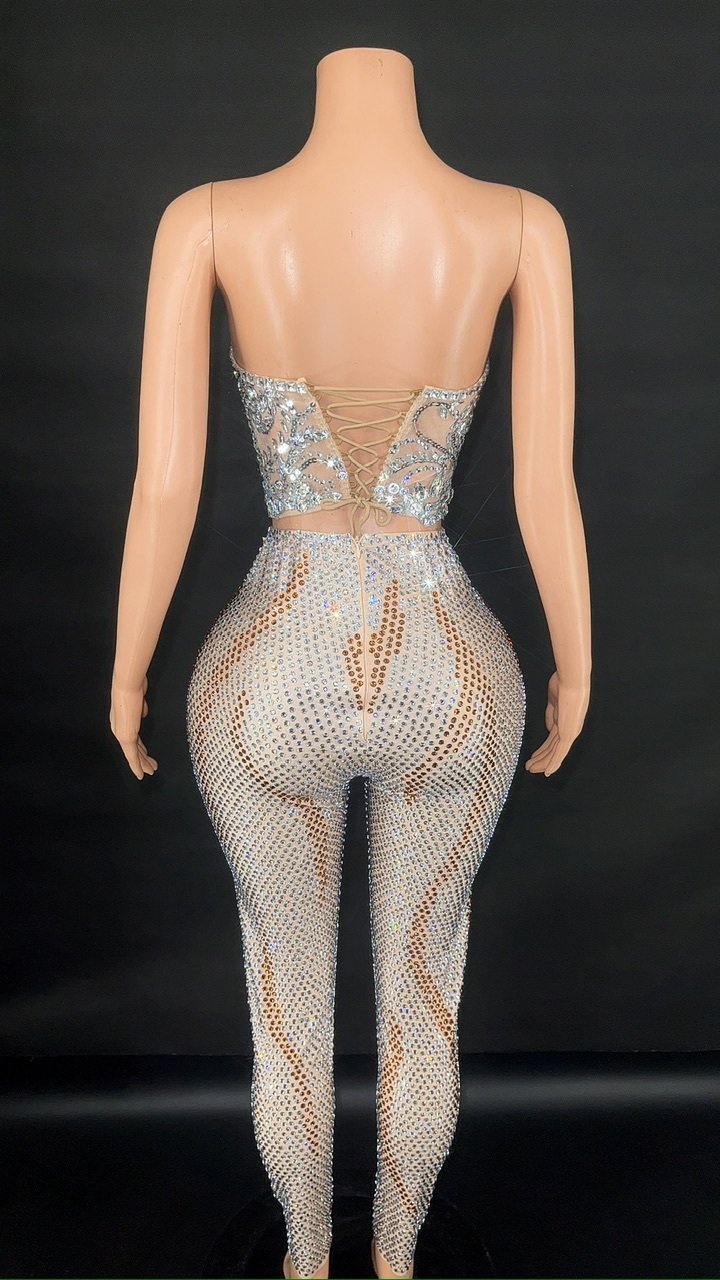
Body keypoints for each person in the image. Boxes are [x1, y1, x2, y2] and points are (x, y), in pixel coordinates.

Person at [110, 45, 591, 1280]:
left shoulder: (210, 219)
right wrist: (576, 666)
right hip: (451, 669)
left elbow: (164, 481)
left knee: (285, 1001)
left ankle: (305, 1262)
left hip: (270, 669)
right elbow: (546, 483)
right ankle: (396, 1258)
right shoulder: (519, 225)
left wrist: (126, 671)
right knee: (425, 992)